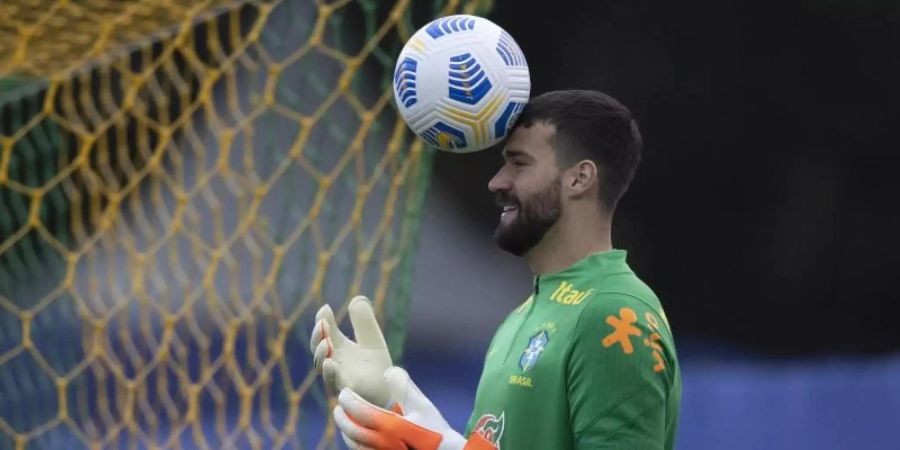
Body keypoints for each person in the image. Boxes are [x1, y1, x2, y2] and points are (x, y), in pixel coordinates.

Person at [310, 90, 681, 450]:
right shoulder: (524, 316)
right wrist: (394, 409)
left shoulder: (612, 313)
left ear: (579, 178)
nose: (497, 181)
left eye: (519, 163)